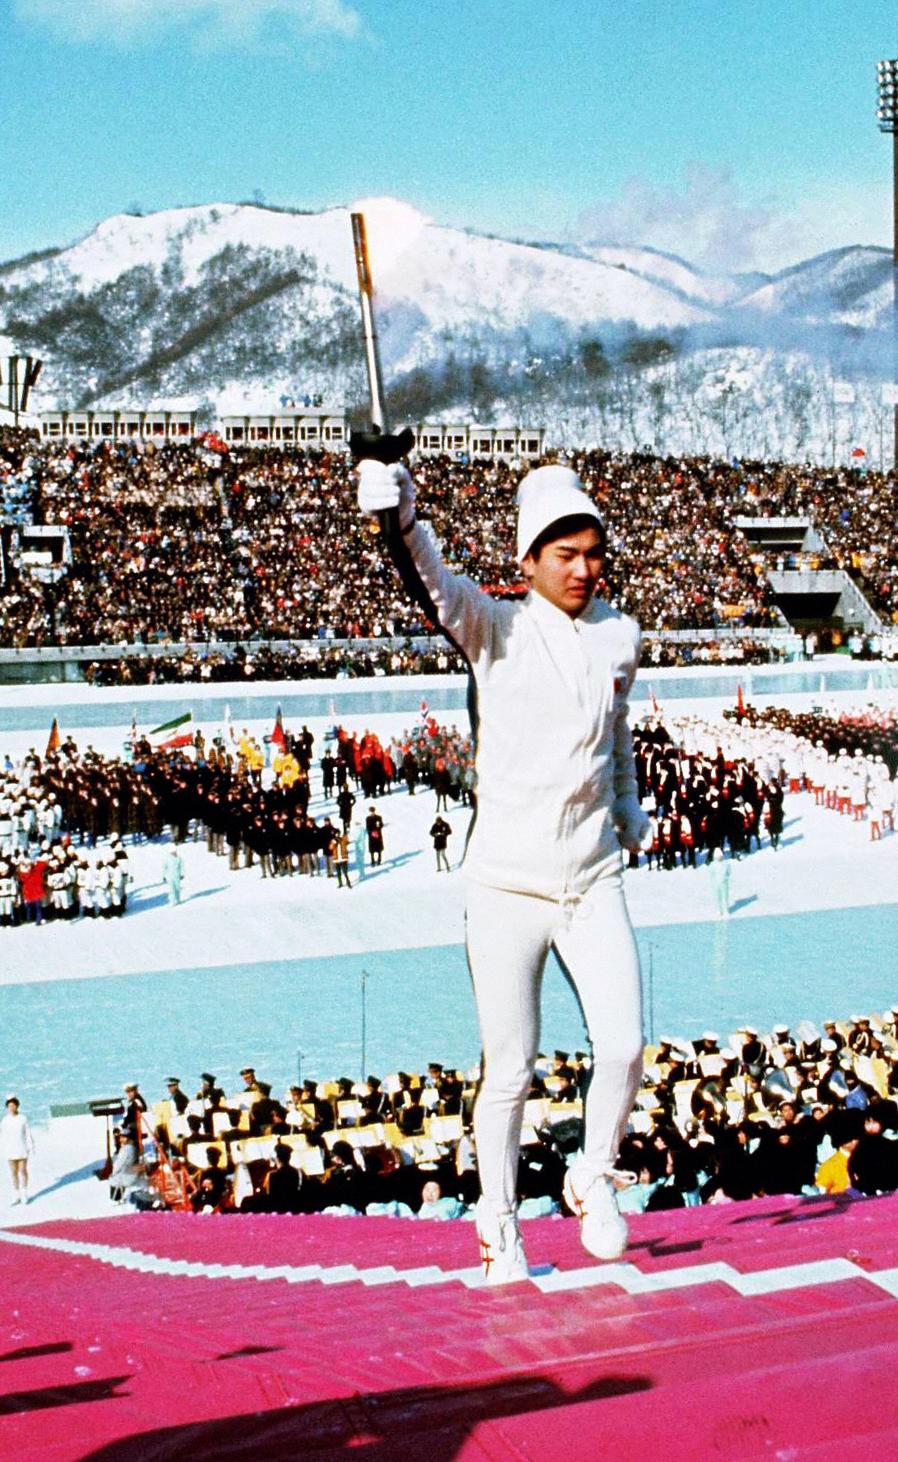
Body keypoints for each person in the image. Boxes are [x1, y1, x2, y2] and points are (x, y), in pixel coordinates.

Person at [356, 456, 651, 1284]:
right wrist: (399, 514)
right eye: (565, 554)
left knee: (624, 1045)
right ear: (526, 561)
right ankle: (498, 1219)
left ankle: (591, 1172)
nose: (584, 568)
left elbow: (614, 736)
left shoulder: (620, 637)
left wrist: (626, 805)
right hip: (506, 886)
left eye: (594, 552)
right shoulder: (496, 628)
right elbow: (430, 579)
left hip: (592, 875)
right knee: (511, 1066)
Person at [0, 1094, 33, 1206]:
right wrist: (2, 1149)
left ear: (17, 1106)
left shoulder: (22, 1118)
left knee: (22, 1170)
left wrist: (30, 1146)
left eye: (13, 1105)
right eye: (9, 1106)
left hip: (21, 1147)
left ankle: (24, 1193)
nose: (12, 1108)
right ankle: (16, 1194)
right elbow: (3, 1136)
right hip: (10, 1149)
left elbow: (27, 1133)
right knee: (13, 1172)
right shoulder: (5, 1121)